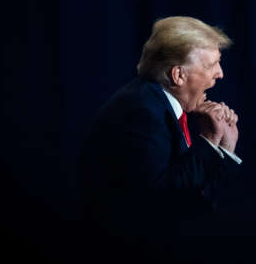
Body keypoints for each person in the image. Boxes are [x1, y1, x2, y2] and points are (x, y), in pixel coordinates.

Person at [78, 16, 244, 258]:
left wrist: (225, 146)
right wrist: (208, 141)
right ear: (177, 75)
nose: (220, 74)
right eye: (212, 65)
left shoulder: (162, 105)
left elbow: (200, 195)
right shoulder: (141, 110)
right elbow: (162, 197)